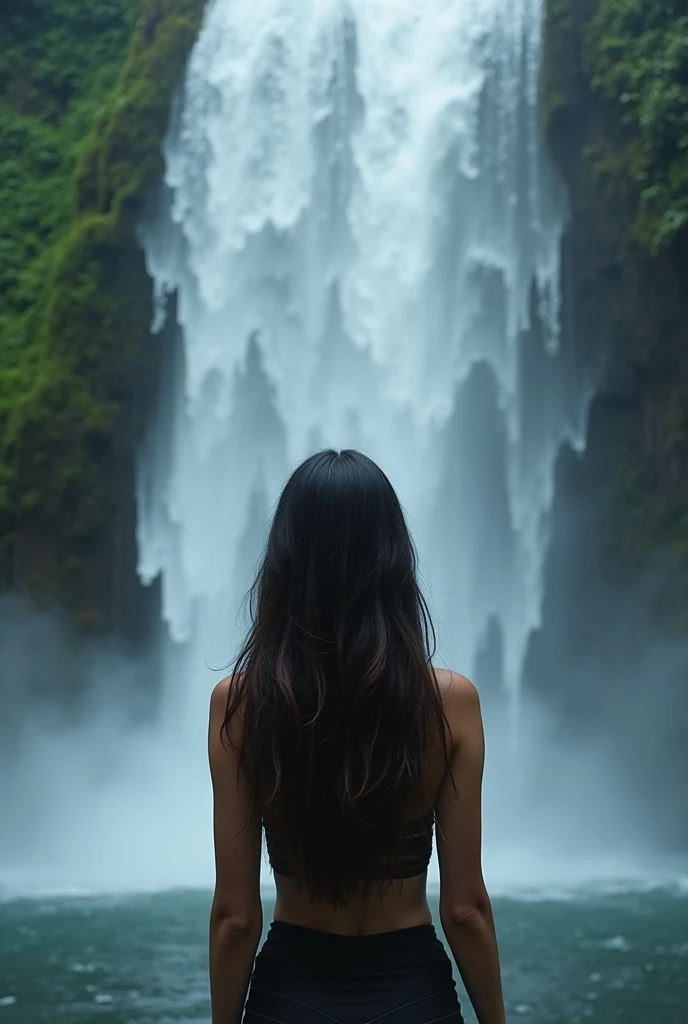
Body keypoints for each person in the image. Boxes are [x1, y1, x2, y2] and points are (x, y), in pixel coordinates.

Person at [208, 449, 506, 1024]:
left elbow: (236, 916)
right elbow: (465, 909)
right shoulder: (452, 703)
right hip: (415, 996)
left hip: (288, 996)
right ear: (394, 556)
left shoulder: (240, 705)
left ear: (284, 558)